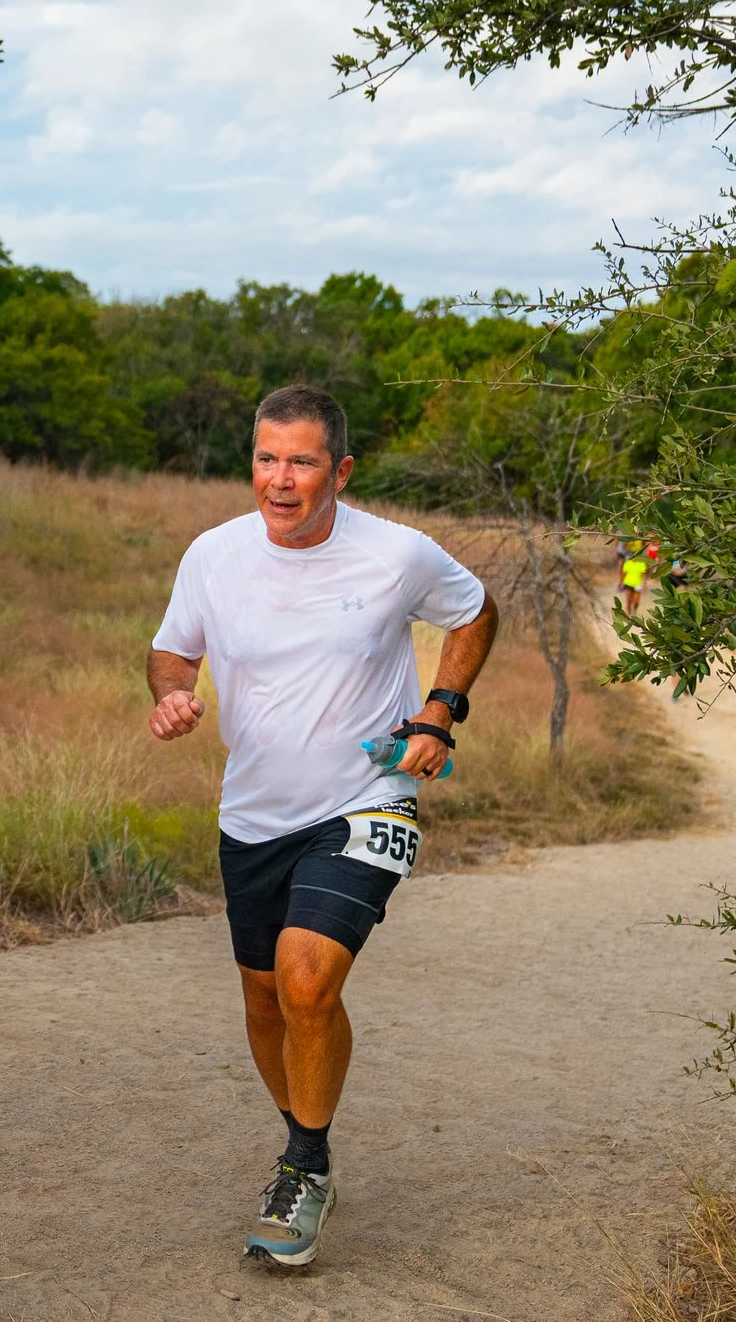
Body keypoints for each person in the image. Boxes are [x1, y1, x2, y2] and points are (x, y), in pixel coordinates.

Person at [146, 385, 497, 1271]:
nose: (280, 479)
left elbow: (474, 610)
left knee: (306, 979)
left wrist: (440, 711)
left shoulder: (397, 554)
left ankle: (301, 1167)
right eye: (267, 458)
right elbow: (170, 647)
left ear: (339, 470)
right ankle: (311, 1139)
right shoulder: (214, 555)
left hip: (367, 795)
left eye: (301, 461)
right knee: (268, 999)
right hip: (254, 810)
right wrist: (173, 693)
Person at [617, 537, 650, 616]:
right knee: (628, 600)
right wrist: (621, 582)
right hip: (630, 555)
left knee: (636, 601)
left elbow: (644, 545)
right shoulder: (629, 536)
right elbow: (624, 546)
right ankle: (629, 616)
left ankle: (634, 613)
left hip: (638, 583)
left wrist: (644, 585)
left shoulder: (642, 536)